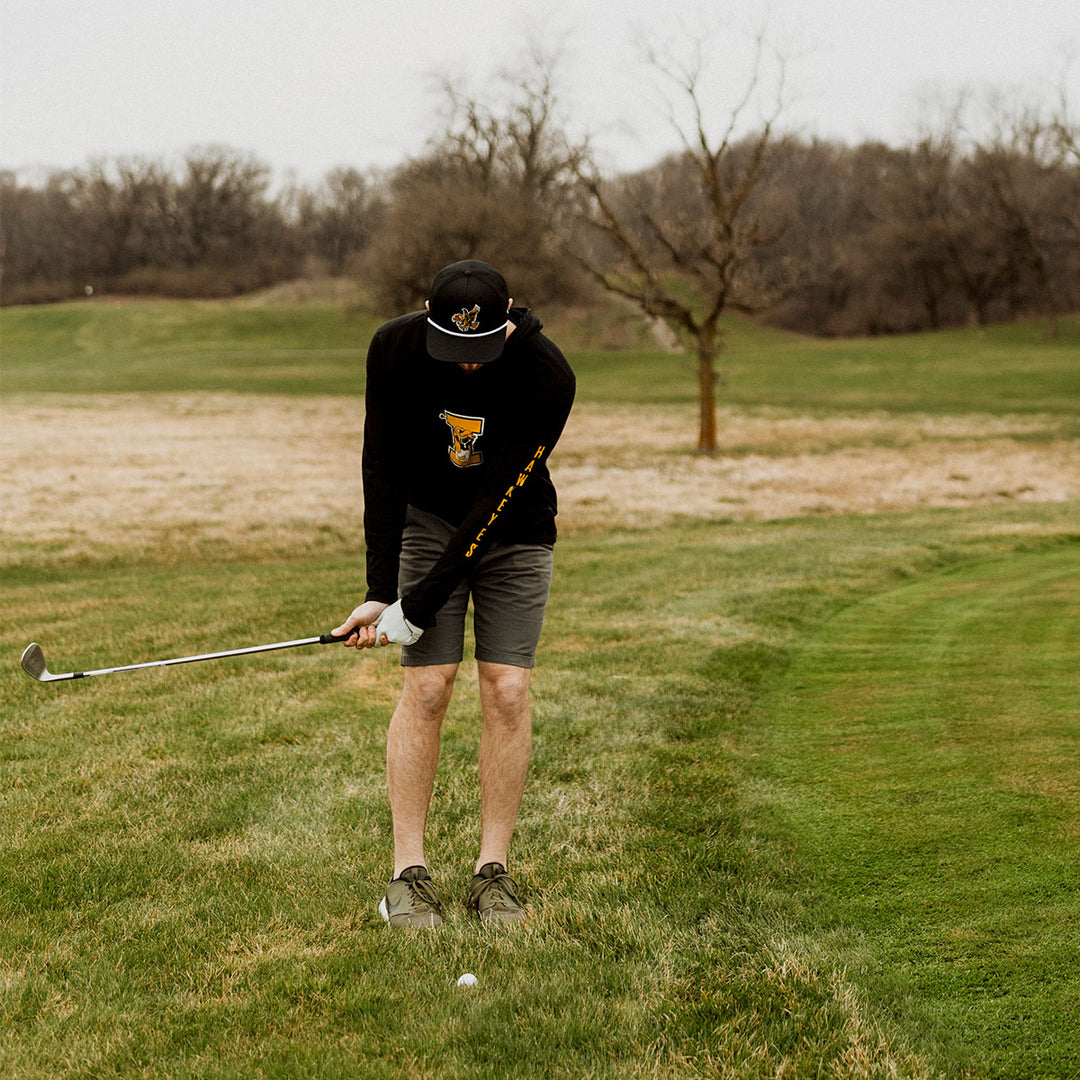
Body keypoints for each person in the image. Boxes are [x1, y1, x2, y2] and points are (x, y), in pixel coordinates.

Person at [333, 259, 575, 928]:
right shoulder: (394, 348)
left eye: (481, 350)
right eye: (455, 349)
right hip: (428, 519)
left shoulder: (547, 375)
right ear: (427, 317)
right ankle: (406, 876)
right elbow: (382, 465)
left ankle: (492, 874)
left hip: (514, 525)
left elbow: (498, 497)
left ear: (508, 321)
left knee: (507, 689)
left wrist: (418, 603)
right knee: (428, 686)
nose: (468, 364)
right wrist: (381, 591)